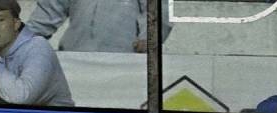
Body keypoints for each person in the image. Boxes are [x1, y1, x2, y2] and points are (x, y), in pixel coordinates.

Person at [26, 0, 172, 53]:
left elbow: (158, 10)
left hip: (126, 63)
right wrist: (21, 43)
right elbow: (45, 16)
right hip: (75, 59)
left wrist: (149, 38)